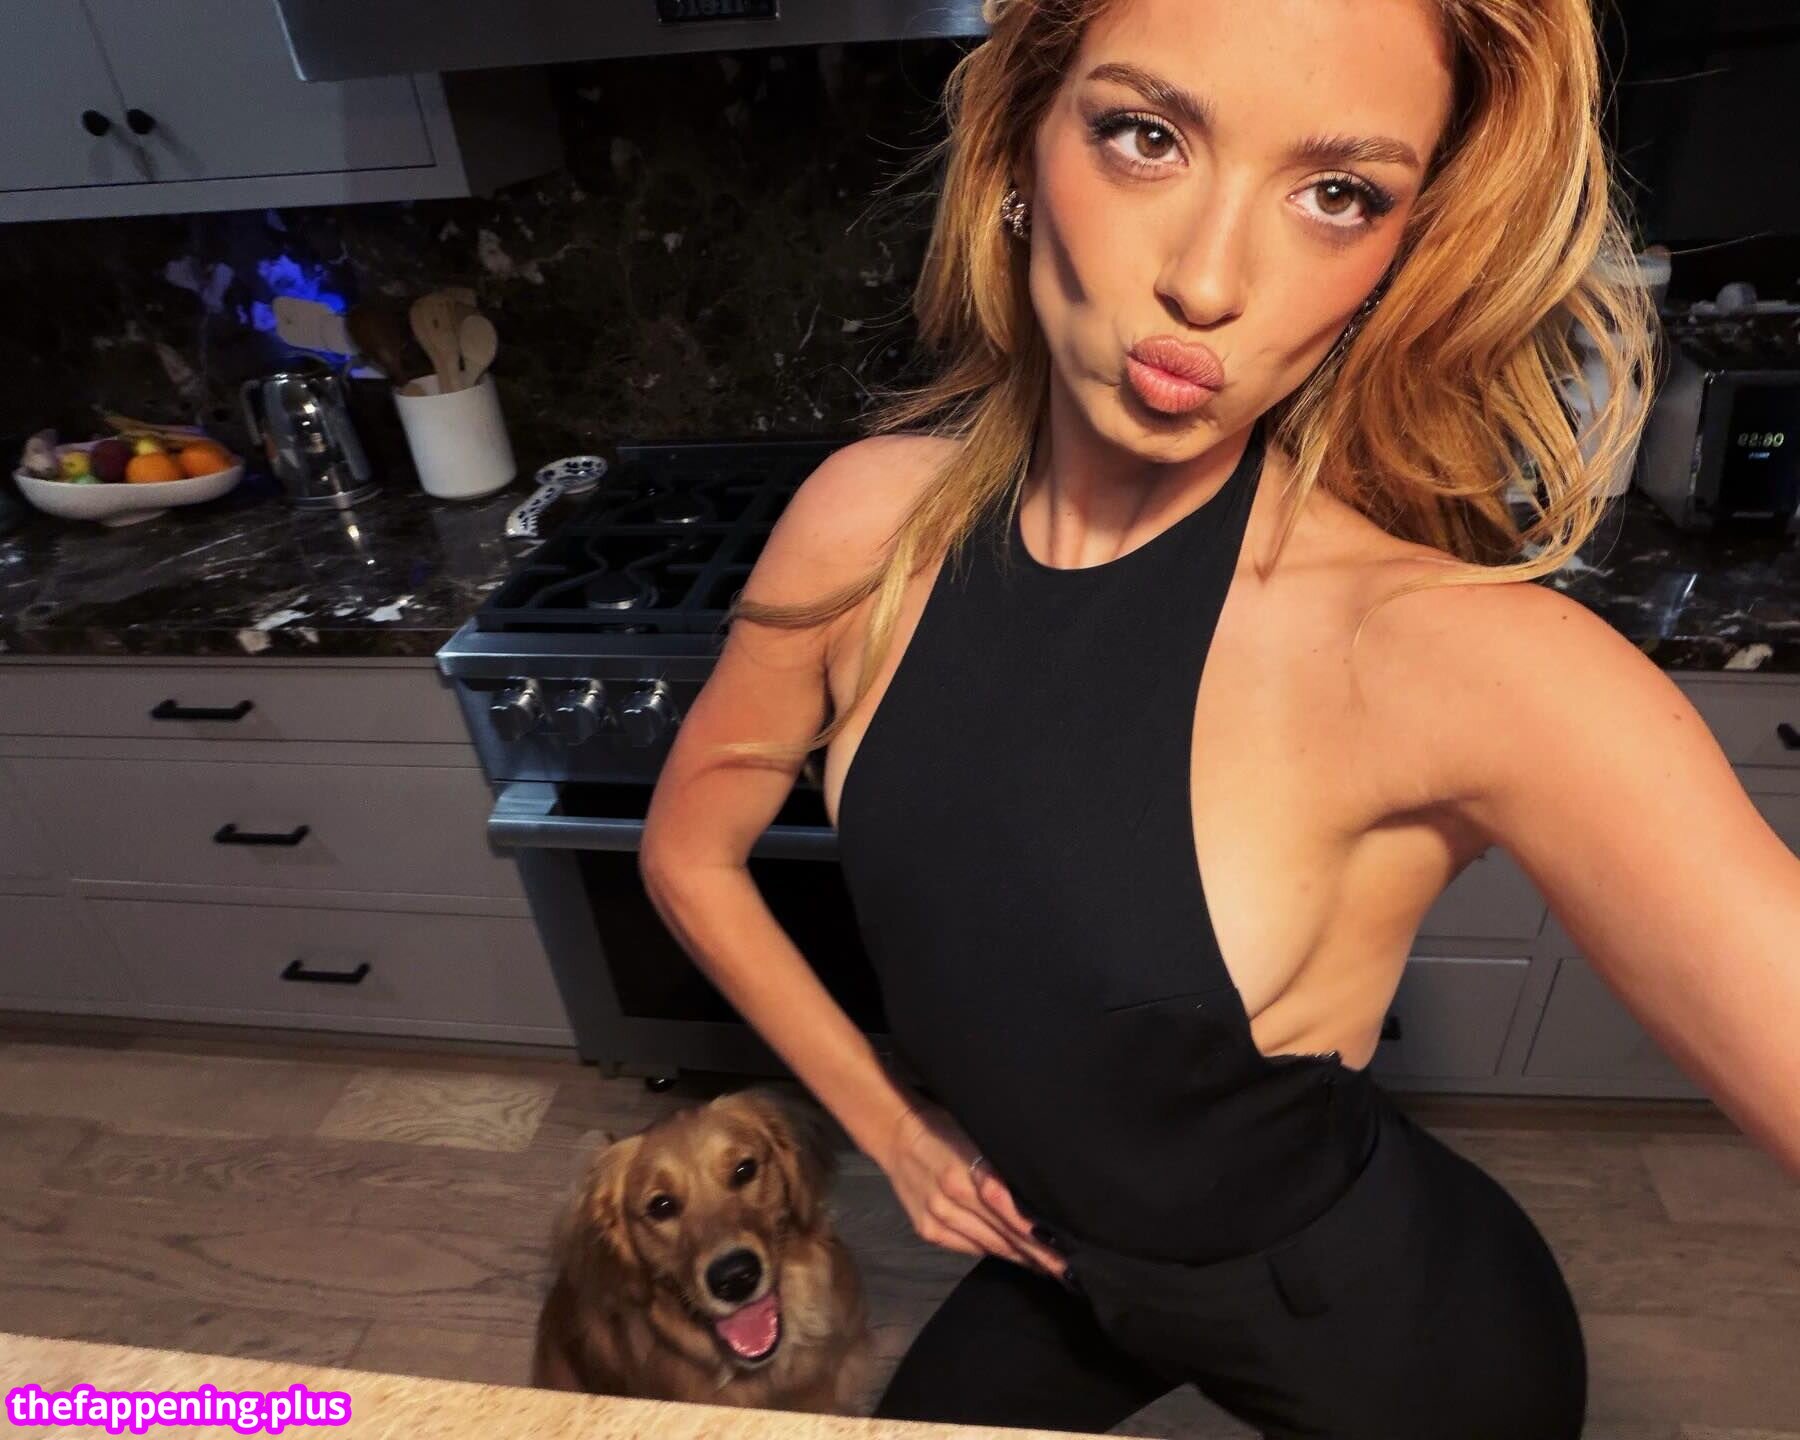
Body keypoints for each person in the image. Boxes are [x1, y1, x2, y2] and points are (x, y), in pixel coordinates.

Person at [640, 1, 1800, 1436]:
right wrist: (891, 1130)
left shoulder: (1462, 659)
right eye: (1145, 135)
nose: (1207, 279)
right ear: (1018, 144)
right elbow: (688, 852)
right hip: (1064, 1264)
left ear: (1403, 253)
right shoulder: (862, 526)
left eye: (1339, 194)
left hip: (1389, 1333)